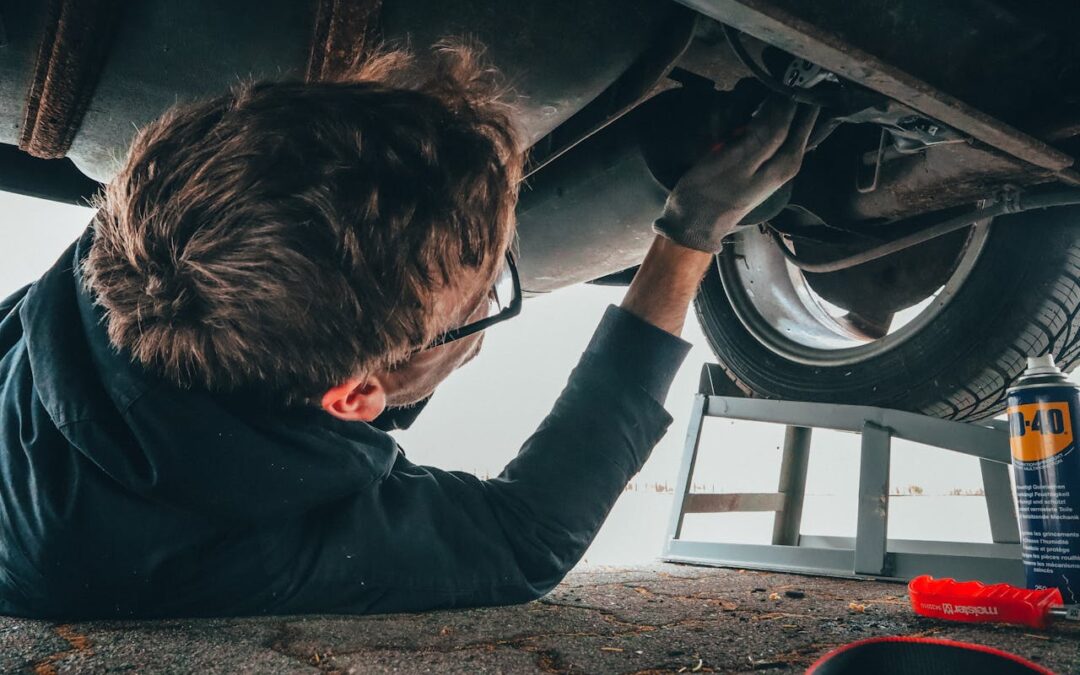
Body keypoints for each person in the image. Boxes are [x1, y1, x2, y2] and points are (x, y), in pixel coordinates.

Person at [0, 46, 818, 619]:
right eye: (485, 296)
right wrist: (687, 236)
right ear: (355, 395)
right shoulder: (219, 545)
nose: (490, 301)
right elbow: (527, 537)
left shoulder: (157, 233)